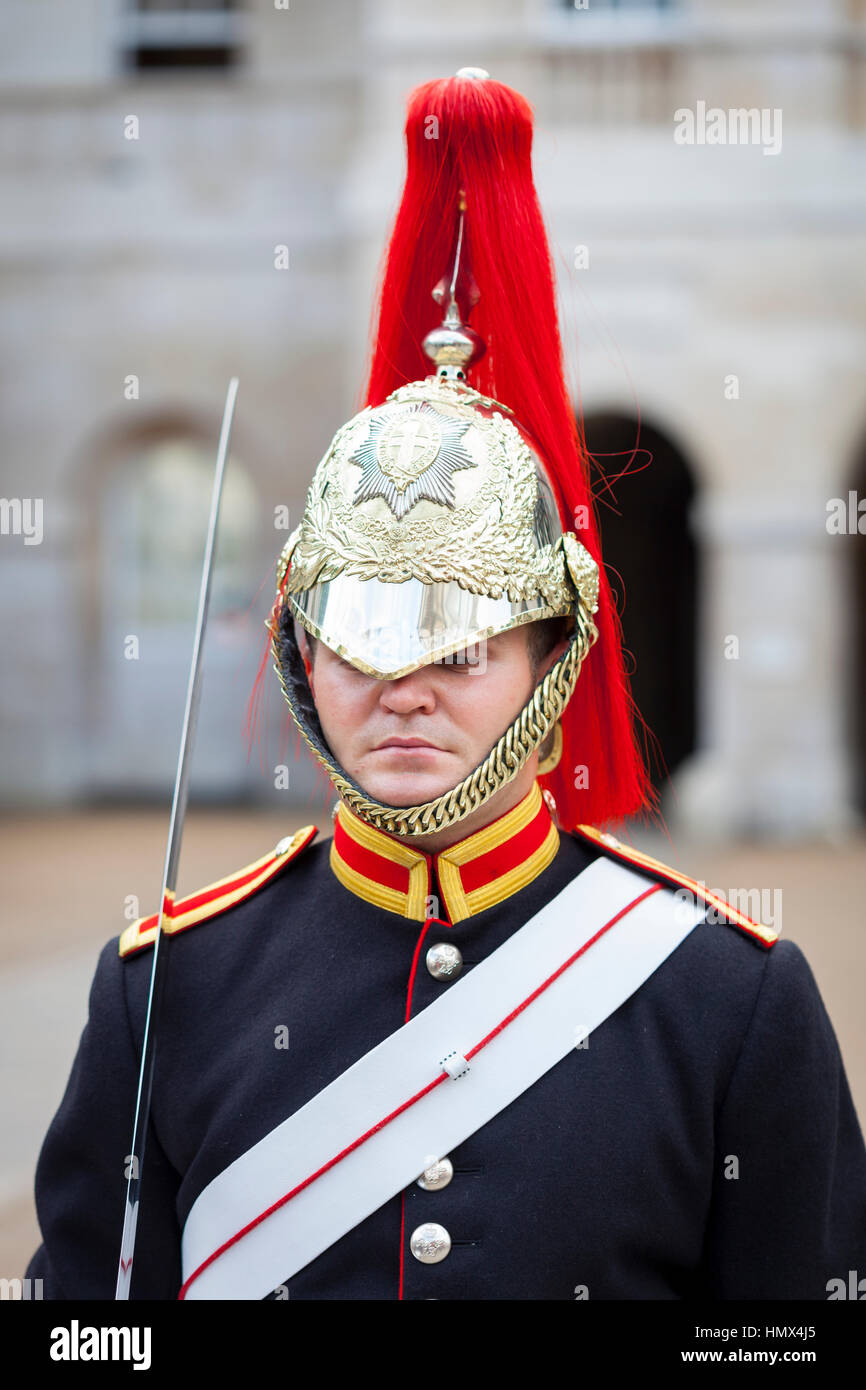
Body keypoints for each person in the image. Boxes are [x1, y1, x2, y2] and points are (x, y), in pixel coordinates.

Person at [26, 70, 866, 1301]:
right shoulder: (168, 986)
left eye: (460, 647)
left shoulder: (725, 997)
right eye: (360, 637)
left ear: (551, 656)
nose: (402, 687)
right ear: (299, 652)